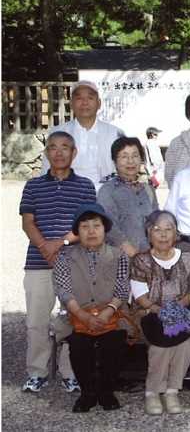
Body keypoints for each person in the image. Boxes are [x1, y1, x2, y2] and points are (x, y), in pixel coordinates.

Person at [20, 131, 95, 394]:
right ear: (46, 153)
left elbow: (87, 224)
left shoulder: (85, 186)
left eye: (65, 147)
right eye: (53, 147)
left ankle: (70, 372)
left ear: (74, 153)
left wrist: (60, 243)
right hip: (38, 262)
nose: (59, 152)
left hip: (74, 263)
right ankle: (37, 372)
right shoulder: (33, 186)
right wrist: (44, 246)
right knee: (36, 321)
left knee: (72, 320)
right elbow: (28, 222)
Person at [52, 203, 130, 412]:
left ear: (105, 229)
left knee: (114, 341)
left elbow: (122, 288)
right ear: (77, 232)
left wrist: (107, 312)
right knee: (78, 343)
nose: (91, 231)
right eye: (85, 227)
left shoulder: (119, 255)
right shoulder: (65, 256)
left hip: (112, 312)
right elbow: (64, 289)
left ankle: (106, 392)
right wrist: (82, 315)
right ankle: (87, 393)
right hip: (76, 313)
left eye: (96, 225)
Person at [130, 211, 190, 416]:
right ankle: (152, 391)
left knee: (187, 341)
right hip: (150, 312)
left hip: (181, 309)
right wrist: (163, 311)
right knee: (161, 341)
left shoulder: (188, 258)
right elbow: (141, 297)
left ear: (176, 233)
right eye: (157, 229)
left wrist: (177, 308)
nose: (163, 234)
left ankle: (171, 391)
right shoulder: (141, 260)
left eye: (168, 229)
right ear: (148, 234)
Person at [43, 80, 125, 190]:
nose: (85, 103)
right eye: (79, 98)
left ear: (99, 103)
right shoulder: (57, 133)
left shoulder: (115, 133)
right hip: (66, 193)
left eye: (90, 98)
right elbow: (46, 172)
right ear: (71, 104)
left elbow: (125, 172)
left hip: (106, 194)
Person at [98, 137, 160, 258]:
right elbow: (109, 227)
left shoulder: (148, 189)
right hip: (118, 259)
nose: (130, 161)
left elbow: (156, 222)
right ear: (115, 161)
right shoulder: (107, 190)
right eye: (124, 156)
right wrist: (133, 253)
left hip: (149, 258)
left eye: (135, 156)